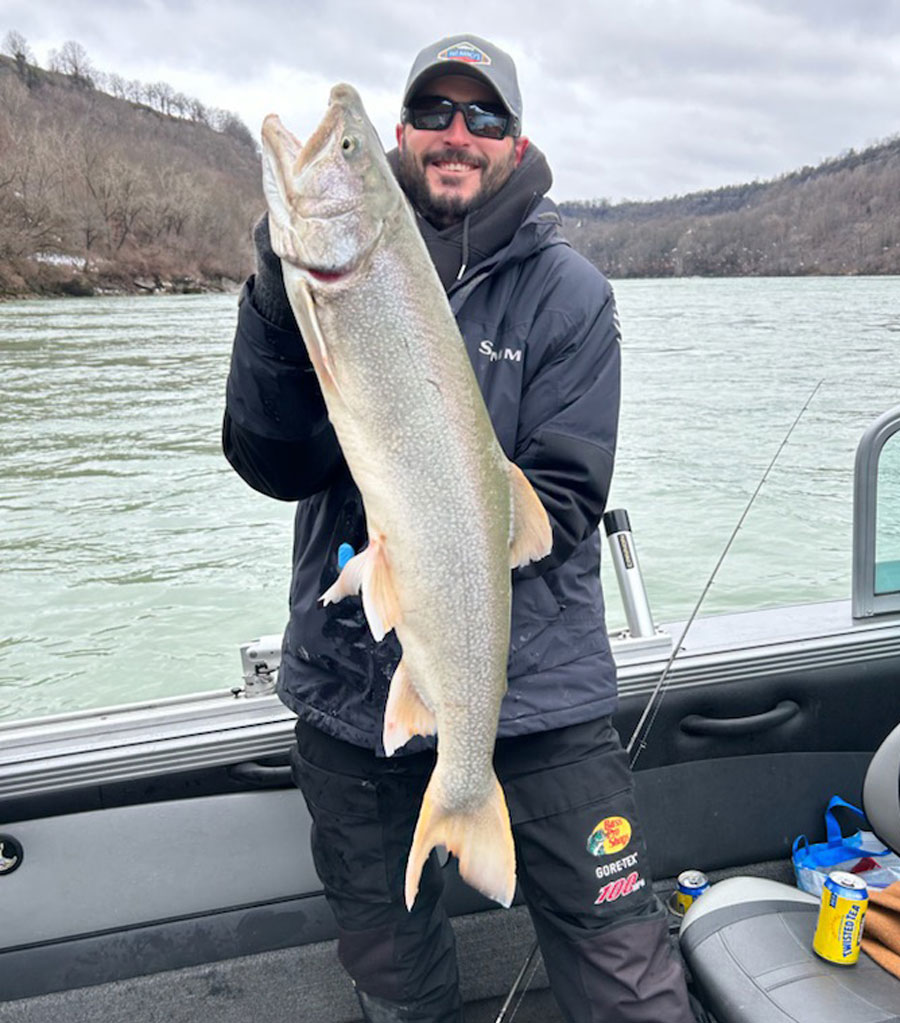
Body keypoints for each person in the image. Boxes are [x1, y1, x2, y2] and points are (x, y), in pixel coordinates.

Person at [223, 33, 695, 1023]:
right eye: (433, 112)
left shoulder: (572, 294)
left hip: (542, 689)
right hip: (352, 691)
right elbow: (273, 463)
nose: (457, 133)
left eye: (484, 116)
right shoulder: (314, 284)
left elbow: (562, 503)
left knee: (624, 970)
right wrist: (273, 295)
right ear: (402, 135)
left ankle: (464, 773)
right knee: (396, 975)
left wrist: (433, 550)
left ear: (516, 141)